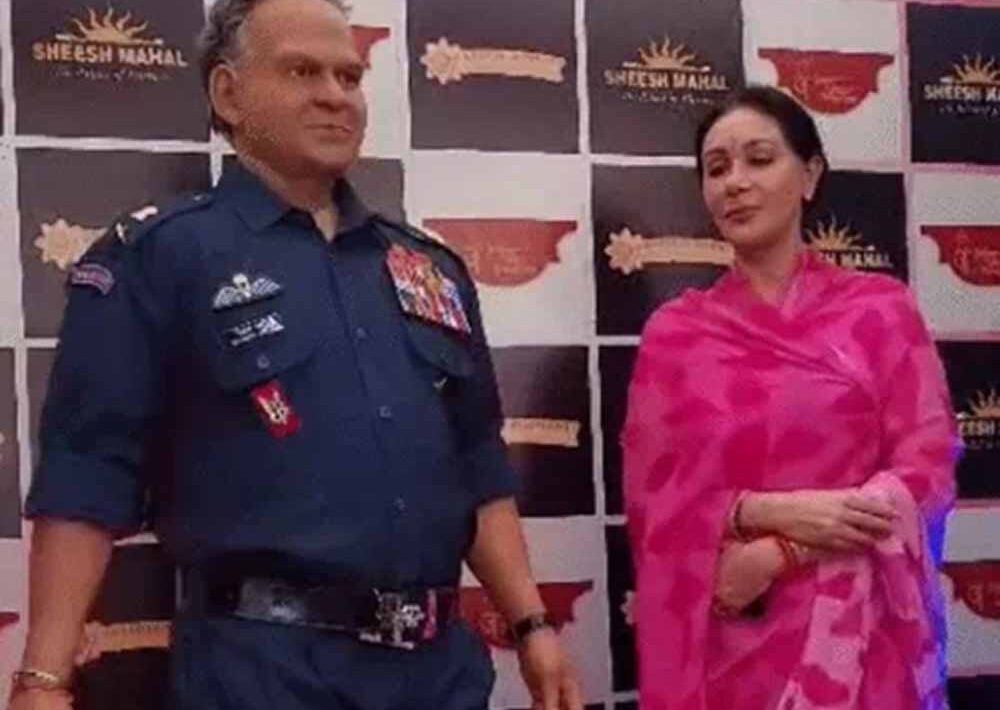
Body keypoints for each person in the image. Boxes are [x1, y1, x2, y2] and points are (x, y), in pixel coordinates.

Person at [8, 1, 583, 709]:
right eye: (302, 71)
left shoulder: (427, 267)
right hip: (263, 677)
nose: (335, 95)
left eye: (349, 76)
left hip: (439, 677)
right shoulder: (159, 256)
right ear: (228, 94)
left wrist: (531, 624)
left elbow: (478, 466)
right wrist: (42, 678)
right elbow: (87, 473)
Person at [622, 86, 960, 710]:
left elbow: (928, 464)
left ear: (810, 175)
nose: (735, 182)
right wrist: (758, 511)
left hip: (866, 653)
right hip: (731, 651)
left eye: (759, 159)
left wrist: (787, 549)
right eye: (717, 168)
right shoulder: (676, 337)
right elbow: (654, 503)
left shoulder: (880, 312)